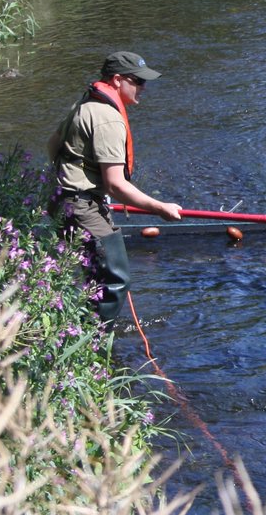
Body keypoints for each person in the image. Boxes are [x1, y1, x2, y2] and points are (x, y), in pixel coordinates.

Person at [47, 50, 183, 322]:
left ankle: (73, 330)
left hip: (64, 200)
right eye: (138, 81)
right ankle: (93, 344)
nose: (144, 88)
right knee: (115, 280)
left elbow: (52, 147)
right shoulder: (108, 119)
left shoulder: (85, 104)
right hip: (82, 206)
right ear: (118, 80)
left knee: (87, 275)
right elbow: (116, 185)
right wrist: (160, 208)